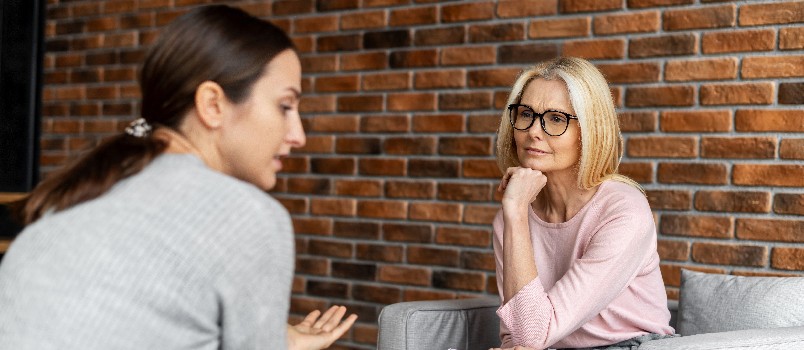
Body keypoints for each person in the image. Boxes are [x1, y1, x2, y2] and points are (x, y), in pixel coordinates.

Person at [0, 5, 355, 350]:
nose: (298, 135)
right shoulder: (249, 216)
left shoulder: (81, 197)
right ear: (213, 104)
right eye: (285, 106)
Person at [490, 57, 675, 350]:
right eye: (526, 114)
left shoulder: (623, 211)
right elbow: (518, 335)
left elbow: (533, 335)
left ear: (589, 130)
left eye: (556, 118)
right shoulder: (513, 215)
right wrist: (514, 215)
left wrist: (513, 213)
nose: (533, 131)